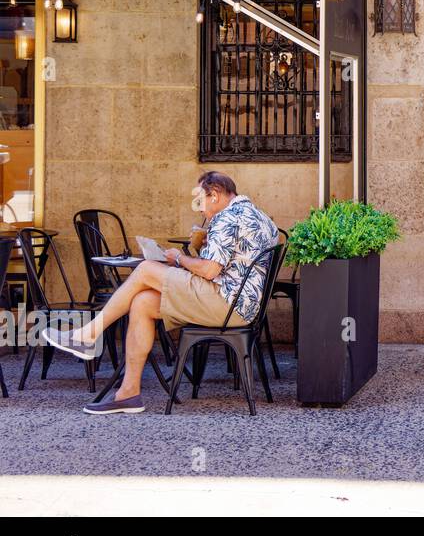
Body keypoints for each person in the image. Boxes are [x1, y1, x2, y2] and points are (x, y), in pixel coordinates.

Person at [44, 171, 278, 414]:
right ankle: (128, 394)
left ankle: (89, 334)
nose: (199, 210)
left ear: (215, 195)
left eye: (200, 201)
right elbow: (231, 261)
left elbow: (209, 270)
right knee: (143, 302)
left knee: (146, 269)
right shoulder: (256, 214)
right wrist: (205, 244)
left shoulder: (226, 218)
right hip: (241, 305)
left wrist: (179, 257)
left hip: (225, 303)